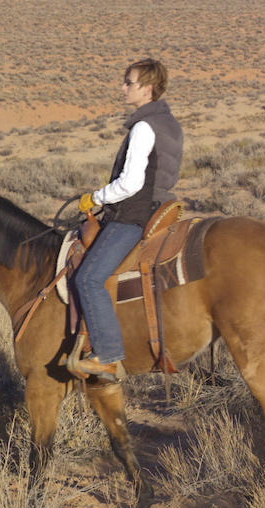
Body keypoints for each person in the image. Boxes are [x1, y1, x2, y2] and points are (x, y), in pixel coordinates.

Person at [69, 58, 184, 381]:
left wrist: (96, 197)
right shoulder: (168, 122)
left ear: (147, 89)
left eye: (129, 83)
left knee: (89, 279)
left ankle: (106, 355)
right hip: (159, 206)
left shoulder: (144, 127)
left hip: (134, 215)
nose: (123, 88)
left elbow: (131, 183)